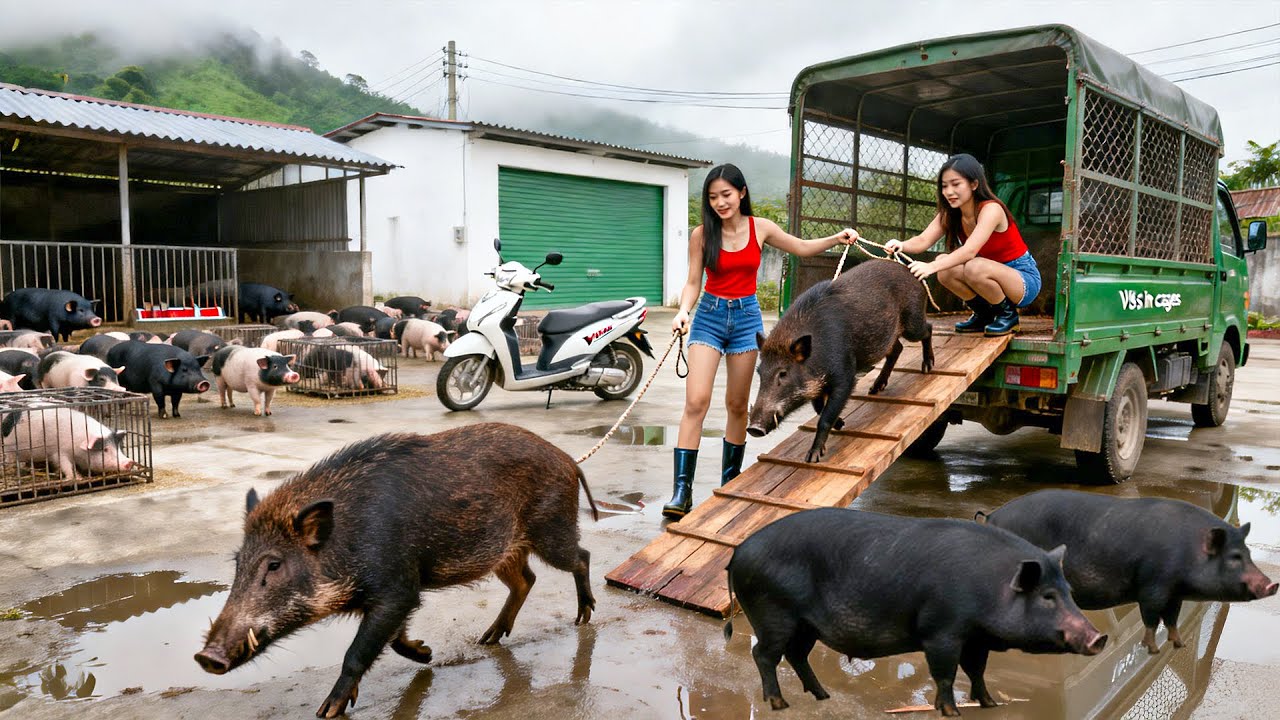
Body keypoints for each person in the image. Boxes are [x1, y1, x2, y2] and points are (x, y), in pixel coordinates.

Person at [663, 163, 858, 519]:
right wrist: (683, 311)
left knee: (738, 405)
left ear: (741, 193)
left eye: (726, 194)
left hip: (746, 319)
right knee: (696, 402)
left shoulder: (760, 228)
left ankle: (730, 481)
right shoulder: (701, 235)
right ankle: (681, 491)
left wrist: (835, 238)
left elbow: (800, 247)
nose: (720, 203)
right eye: (713, 197)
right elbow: (693, 281)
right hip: (708, 316)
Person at [884, 153, 1041, 336]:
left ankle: (1008, 316)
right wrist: (900, 245)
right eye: (944, 186)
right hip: (987, 274)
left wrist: (930, 266)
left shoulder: (991, 209)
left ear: (974, 184)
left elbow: (970, 251)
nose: (949, 192)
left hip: (1022, 278)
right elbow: (923, 241)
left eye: (956, 184)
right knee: (946, 267)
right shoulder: (950, 214)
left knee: (972, 266)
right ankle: (984, 314)